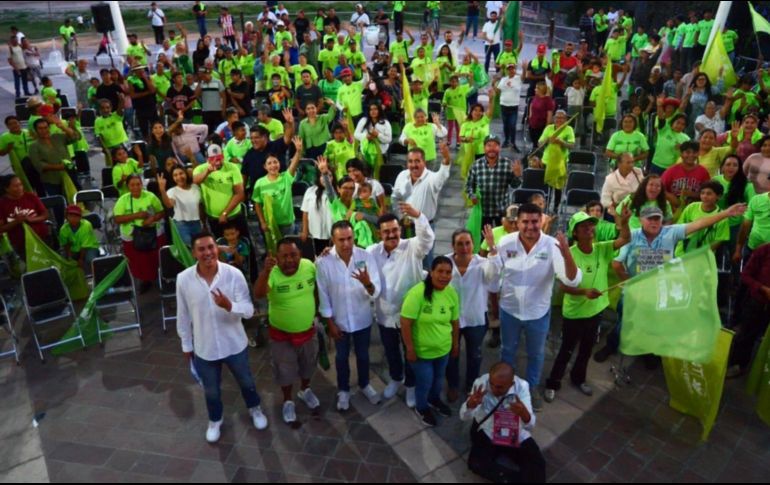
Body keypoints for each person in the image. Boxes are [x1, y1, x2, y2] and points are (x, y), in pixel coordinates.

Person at [594, 203, 747, 362]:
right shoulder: (632, 236)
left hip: (660, 292)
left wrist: (726, 213)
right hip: (634, 291)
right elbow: (616, 264)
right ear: (640, 220)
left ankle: (649, 352)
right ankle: (611, 346)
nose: (654, 223)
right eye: (650, 219)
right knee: (625, 322)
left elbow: (699, 223)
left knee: (655, 324)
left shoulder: (672, 232)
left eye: (657, 219)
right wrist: (631, 284)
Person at [177, 232, 267, 443]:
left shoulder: (233, 274)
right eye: (202, 249)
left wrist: (230, 306)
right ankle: (215, 419)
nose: (207, 252)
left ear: (217, 249)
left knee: (246, 382)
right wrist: (186, 345)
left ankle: (255, 409)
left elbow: (248, 310)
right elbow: (183, 316)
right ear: (193, 253)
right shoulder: (183, 279)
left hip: (234, 344)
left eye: (211, 247)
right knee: (211, 390)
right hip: (204, 348)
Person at [496, 203, 581, 410]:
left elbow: (571, 280)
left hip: (538, 313)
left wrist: (567, 253)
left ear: (541, 222)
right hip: (509, 310)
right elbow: (493, 276)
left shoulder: (552, 245)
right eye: (525, 221)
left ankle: (531, 389)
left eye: (535, 221)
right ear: (517, 223)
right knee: (508, 351)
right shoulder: (505, 243)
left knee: (536, 353)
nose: (530, 226)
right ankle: (506, 387)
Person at [544, 209, 631, 403]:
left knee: (586, 349)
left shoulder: (602, 248)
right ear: (575, 232)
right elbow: (564, 287)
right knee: (566, 349)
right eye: (584, 226)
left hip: (596, 310)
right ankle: (553, 383)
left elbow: (625, 238)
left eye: (591, 225)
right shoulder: (569, 255)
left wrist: (624, 223)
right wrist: (584, 292)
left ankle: (578, 379)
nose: (589, 228)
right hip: (575, 313)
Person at [368, 203, 434, 407]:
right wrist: (328, 251)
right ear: (379, 233)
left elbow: (427, 239)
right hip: (385, 313)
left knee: (411, 352)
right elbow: (352, 256)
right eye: (386, 231)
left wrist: (419, 216)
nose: (391, 235)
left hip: (410, 315)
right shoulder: (371, 252)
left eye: (395, 230)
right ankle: (396, 379)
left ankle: (411, 386)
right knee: (391, 351)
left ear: (400, 230)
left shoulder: (413, 246)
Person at [316, 220, 383, 411]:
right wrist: (330, 323)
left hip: (362, 318)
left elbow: (375, 291)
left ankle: (364, 384)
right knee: (341, 357)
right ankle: (343, 390)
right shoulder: (323, 262)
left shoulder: (366, 257)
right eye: (341, 240)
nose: (346, 244)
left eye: (349, 239)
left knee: (363, 355)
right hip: (339, 321)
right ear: (332, 240)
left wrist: (367, 284)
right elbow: (323, 295)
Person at [254, 239, 322, 424]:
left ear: (300, 255)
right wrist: (265, 272)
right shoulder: (273, 274)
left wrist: (318, 311)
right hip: (281, 336)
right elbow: (258, 293)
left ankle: (305, 390)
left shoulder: (309, 266)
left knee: (308, 365)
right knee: (285, 371)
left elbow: (316, 287)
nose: (290, 260)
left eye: (294, 255)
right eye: (284, 256)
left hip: (308, 331)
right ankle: (288, 400)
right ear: (277, 258)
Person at [461, 362, 546, 483]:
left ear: (511, 384)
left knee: (537, 463)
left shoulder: (521, 387)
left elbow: (530, 425)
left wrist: (524, 413)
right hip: (487, 430)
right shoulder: (481, 383)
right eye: (492, 384)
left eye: (500, 387)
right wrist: (470, 405)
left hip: (513, 431)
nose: (494, 389)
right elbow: (464, 416)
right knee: (476, 463)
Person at [401, 255, 459, 426]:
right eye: (440, 271)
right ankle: (422, 407)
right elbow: (405, 323)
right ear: (431, 272)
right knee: (425, 382)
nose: (444, 276)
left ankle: (434, 400)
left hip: (443, 350)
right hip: (421, 353)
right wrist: (409, 349)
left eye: (448, 272)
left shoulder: (451, 293)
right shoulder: (417, 293)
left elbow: (455, 322)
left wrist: (455, 344)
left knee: (439, 380)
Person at [445, 227, 501, 403]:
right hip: (450, 319)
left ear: (473, 244)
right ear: (453, 246)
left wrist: (492, 248)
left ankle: (471, 385)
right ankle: (452, 385)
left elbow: (494, 276)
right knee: (451, 354)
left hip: (475, 319)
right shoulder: (445, 262)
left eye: (467, 243)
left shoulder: (482, 263)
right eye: (459, 244)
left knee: (474, 354)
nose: (464, 247)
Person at [112, 174, 165, 293]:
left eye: (138, 184)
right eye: (132, 185)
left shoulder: (150, 196)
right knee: (139, 261)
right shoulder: (123, 199)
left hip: (152, 233)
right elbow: (117, 219)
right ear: (128, 186)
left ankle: (159, 276)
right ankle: (144, 280)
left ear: (142, 184)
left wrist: (152, 219)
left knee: (154, 257)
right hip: (132, 236)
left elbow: (161, 212)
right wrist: (136, 215)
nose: (136, 187)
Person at [727, 243, 770, 378]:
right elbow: (746, 275)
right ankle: (738, 364)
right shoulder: (763, 251)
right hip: (757, 302)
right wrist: (762, 289)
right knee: (746, 334)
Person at [392, 144, 451, 235]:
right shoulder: (402, 176)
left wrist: (446, 159)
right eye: (410, 161)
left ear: (424, 162)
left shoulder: (432, 179)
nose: (413, 165)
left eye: (417, 161)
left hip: (424, 228)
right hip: (404, 227)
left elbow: (442, 175)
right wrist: (400, 218)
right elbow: (395, 198)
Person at [466, 135, 522, 230]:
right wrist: (472, 196)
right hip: (483, 211)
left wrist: (517, 175)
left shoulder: (507, 163)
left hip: (502, 211)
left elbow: (515, 186)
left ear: (499, 148)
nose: (492, 148)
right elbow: (469, 186)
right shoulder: (476, 165)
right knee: (483, 240)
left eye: (495, 145)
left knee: (502, 239)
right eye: (489, 145)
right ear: (484, 148)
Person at [252, 138, 303, 238]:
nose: (273, 166)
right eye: (269, 163)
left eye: (275, 162)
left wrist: (298, 151)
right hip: (270, 225)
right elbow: (257, 204)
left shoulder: (286, 178)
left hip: (287, 224)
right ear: (265, 167)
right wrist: (262, 222)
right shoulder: (259, 183)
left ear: (279, 163)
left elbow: (294, 164)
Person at [192, 145, 247, 239]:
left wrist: (225, 213)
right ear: (207, 159)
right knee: (221, 244)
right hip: (213, 217)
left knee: (243, 242)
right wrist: (207, 172)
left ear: (223, 156)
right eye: (213, 159)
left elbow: (239, 193)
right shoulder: (200, 169)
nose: (217, 162)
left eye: (219, 158)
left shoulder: (232, 168)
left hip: (233, 215)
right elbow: (196, 181)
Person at [28, 116, 80, 197]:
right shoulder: (33, 146)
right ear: (36, 130)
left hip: (70, 175)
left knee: (76, 199)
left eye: (45, 127)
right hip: (52, 181)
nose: (44, 131)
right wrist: (60, 167)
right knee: (59, 204)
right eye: (40, 128)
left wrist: (62, 126)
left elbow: (75, 137)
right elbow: (38, 165)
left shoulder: (57, 137)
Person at [0, 175, 49, 259]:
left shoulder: (31, 197)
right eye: (16, 186)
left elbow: (45, 215)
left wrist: (31, 219)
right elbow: (1, 228)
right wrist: (16, 221)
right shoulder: (2, 204)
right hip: (22, 244)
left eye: (20, 185)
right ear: (6, 189)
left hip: (42, 237)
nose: (20, 188)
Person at [157, 166, 203, 246]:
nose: (179, 177)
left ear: (186, 174)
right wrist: (162, 190)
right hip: (182, 225)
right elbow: (169, 204)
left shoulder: (195, 187)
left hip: (197, 223)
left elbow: (200, 206)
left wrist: (203, 223)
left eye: (181, 173)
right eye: (175, 175)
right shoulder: (172, 191)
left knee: (200, 247)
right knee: (189, 250)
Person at [661, 140, 711, 211]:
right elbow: (660, 189)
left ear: (698, 154)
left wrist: (692, 194)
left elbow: (709, 192)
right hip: (673, 210)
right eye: (687, 152)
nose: (691, 155)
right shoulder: (671, 171)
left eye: (694, 152)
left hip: (695, 210)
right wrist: (671, 197)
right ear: (681, 154)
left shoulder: (703, 172)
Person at [601, 153, 644, 218]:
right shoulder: (610, 179)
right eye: (628, 163)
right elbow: (604, 201)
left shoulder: (638, 172)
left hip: (634, 211)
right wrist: (618, 206)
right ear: (619, 164)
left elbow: (643, 189)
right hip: (616, 213)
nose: (631, 165)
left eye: (632, 162)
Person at [59, 204, 100, 272]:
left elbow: (85, 246)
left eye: (76, 216)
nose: (73, 218)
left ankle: (94, 275)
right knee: (65, 263)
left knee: (90, 260)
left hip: (90, 247)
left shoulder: (86, 225)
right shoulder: (63, 229)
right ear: (66, 217)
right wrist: (69, 256)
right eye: (70, 216)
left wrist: (80, 259)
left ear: (81, 217)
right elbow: (65, 245)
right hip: (74, 249)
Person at [354, 103, 393, 170]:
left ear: (379, 110)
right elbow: (356, 134)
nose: (373, 111)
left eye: (375, 109)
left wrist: (378, 135)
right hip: (365, 153)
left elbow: (389, 139)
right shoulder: (363, 120)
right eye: (371, 109)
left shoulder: (385, 123)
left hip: (380, 154)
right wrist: (366, 136)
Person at [497, 63, 523, 151]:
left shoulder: (518, 79)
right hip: (504, 105)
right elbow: (498, 90)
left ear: (515, 70)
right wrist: (494, 82)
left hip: (513, 105)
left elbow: (524, 76)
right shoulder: (503, 79)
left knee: (512, 125)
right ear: (507, 71)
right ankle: (506, 140)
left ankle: (513, 142)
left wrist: (524, 68)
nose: (511, 71)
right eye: (509, 69)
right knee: (506, 125)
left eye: (512, 69)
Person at [195, 67, 227, 135]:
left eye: (203, 75)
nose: (203, 77)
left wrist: (223, 109)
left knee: (219, 130)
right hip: (206, 111)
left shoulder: (218, 82)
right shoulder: (201, 83)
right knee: (208, 131)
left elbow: (223, 97)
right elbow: (196, 95)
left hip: (217, 110)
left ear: (208, 73)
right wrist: (200, 82)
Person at [526, 81, 555, 149]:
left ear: (541, 90)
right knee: (534, 144)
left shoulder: (548, 101)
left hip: (541, 126)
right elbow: (531, 105)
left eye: (536, 88)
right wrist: (530, 116)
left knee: (540, 145)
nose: (535, 89)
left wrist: (546, 128)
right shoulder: (536, 97)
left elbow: (549, 116)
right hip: (533, 124)